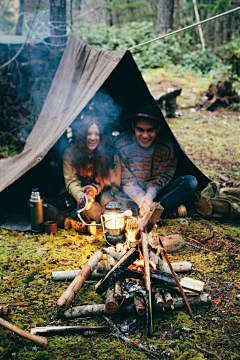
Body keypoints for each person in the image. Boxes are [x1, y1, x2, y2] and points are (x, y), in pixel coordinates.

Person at [113, 103, 198, 217]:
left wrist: (149, 196)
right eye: (140, 130)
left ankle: (150, 212)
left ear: (158, 128)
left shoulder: (166, 146)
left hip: (157, 194)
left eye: (150, 130)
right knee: (108, 196)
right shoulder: (121, 144)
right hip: (132, 196)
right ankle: (163, 212)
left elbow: (162, 178)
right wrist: (140, 200)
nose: (145, 135)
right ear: (133, 126)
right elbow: (127, 181)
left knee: (190, 182)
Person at [44, 115, 120, 232]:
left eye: (96, 134)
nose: (93, 138)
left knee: (93, 213)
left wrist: (94, 189)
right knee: (37, 204)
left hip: (96, 201)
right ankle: (72, 224)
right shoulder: (70, 154)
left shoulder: (106, 154)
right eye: (89, 134)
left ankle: (73, 221)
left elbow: (108, 181)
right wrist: (81, 196)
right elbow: (71, 181)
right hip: (73, 199)